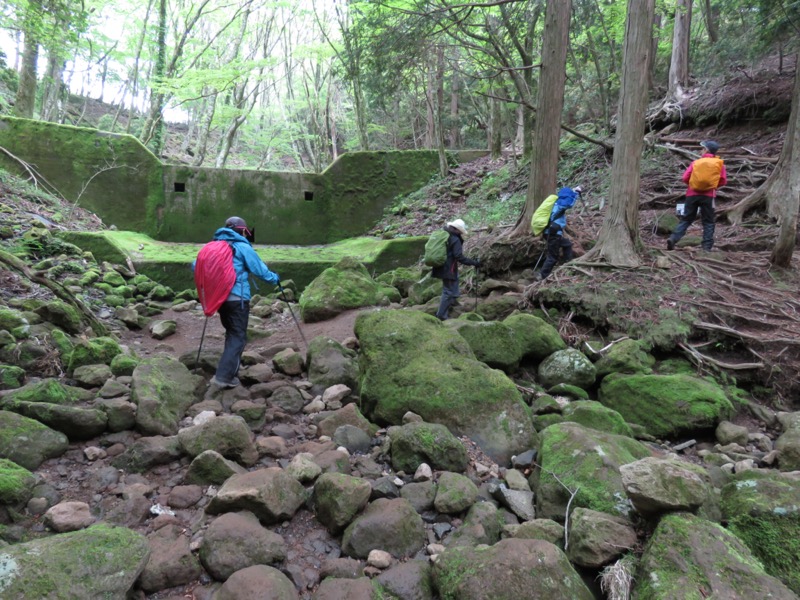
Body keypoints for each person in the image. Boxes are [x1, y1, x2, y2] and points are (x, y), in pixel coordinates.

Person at [208, 216, 280, 388]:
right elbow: (259, 270)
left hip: (220, 299)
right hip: (237, 299)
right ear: (241, 231)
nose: (247, 234)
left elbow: (197, 265)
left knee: (231, 332)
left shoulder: (213, 246)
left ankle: (230, 371)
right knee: (238, 336)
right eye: (245, 231)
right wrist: (275, 279)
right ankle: (224, 377)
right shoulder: (241, 247)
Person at [667, 140, 727, 252]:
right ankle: (706, 247)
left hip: (692, 194)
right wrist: (712, 186)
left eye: (702, 148)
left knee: (686, 219)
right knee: (708, 221)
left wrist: (693, 185)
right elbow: (723, 181)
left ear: (706, 150)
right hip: (709, 196)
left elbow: (685, 178)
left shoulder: (696, 163)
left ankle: (673, 239)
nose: (701, 150)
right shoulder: (719, 164)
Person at [431, 218, 480, 321]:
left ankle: (451, 305)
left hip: (441, 267)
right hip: (448, 269)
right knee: (448, 291)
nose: (461, 233)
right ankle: (441, 315)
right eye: (460, 231)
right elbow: (459, 257)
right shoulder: (455, 239)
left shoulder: (445, 235)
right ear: (457, 230)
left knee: (451, 287)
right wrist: (474, 263)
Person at [536, 186, 581, 281]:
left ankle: (568, 264)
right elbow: (569, 204)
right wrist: (576, 193)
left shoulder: (556, 203)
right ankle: (542, 276)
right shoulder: (560, 204)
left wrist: (573, 192)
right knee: (553, 256)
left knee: (567, 244)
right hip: (553, 233)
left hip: (550, 232)